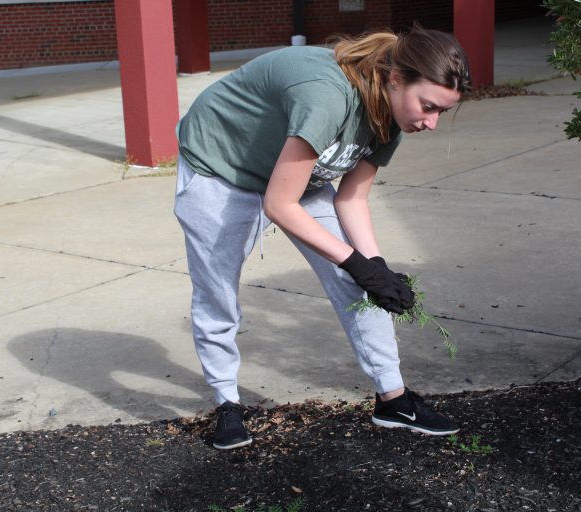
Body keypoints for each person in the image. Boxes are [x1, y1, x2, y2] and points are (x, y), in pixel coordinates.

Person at [174, 25, 471, 450]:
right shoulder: (327, 95)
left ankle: (393, 399)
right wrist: (355, 262)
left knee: (361, 283)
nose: (432, 123)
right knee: (217, 291)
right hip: (220, 167)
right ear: (394, 78)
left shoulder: (392, 116)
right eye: (428, 106)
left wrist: (375, 268)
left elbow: (351, 199)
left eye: (441, 111)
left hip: (296, 178)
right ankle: (227, 403)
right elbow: (280, 205)